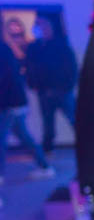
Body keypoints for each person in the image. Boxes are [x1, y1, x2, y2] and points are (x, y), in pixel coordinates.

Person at [1, 40, 54, 184]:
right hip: (14, 101)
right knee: (23, 136)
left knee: (4, 138)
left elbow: (4, 78)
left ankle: (45, 167)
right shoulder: (5, 49)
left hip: (9, 103)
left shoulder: (3, 50)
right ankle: (45, 166)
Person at [24, 15, 77, 153]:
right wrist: (33, 85)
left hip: (63, 91)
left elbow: (71, 67)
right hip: (44, 92)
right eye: (39, 26)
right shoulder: (33, 48)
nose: (42, 29)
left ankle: (88, 145)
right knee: (48, 124)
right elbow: (29, 67)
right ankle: (47, 150)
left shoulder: (61, 45)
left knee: (74, 119)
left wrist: (68, 86)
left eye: (45, 26)